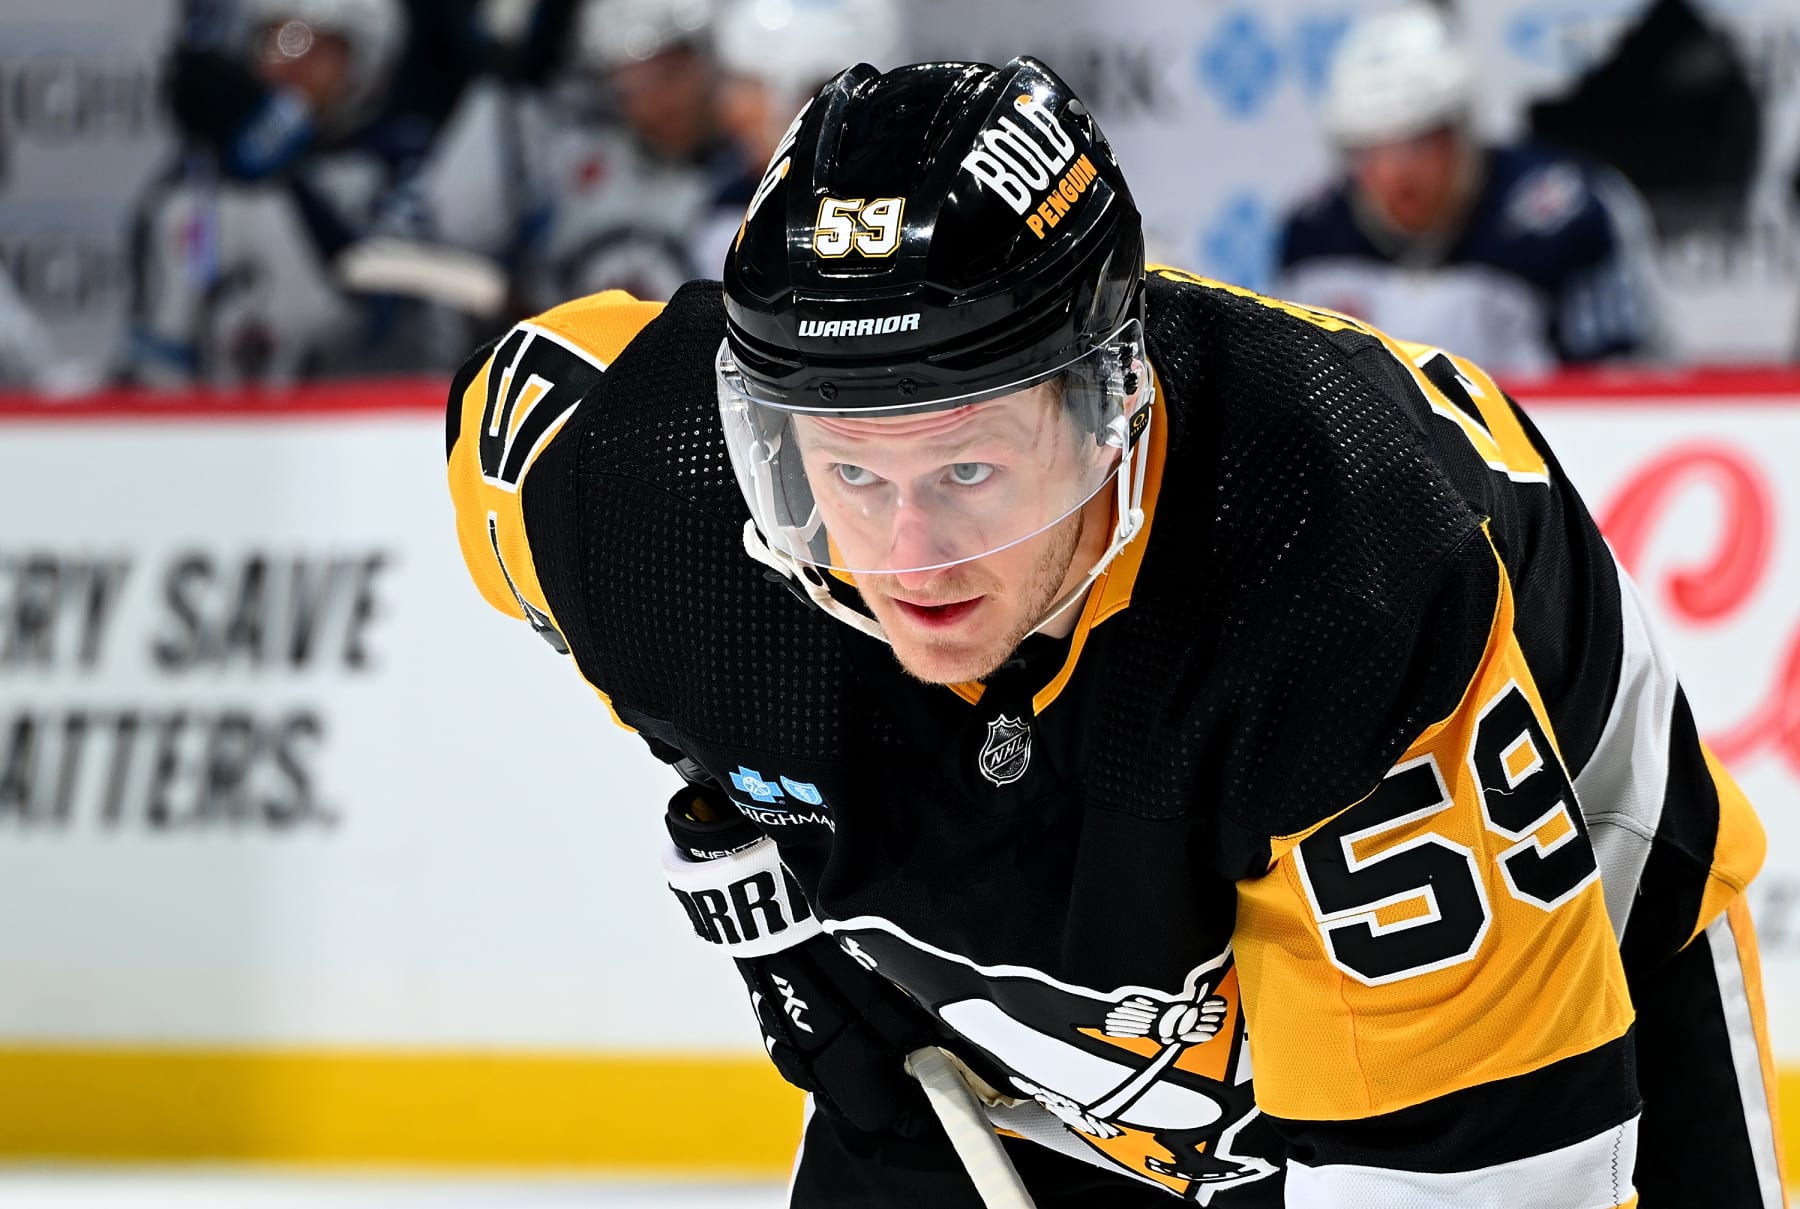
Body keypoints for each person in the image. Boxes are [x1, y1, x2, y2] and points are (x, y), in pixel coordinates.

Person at [447, 57, 1785, 1206]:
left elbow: (1461, 1168)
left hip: (1556, 936)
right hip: (1030, 1055)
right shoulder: (642, 501)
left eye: (968, 470)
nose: (908, 562)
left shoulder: (1334, 573)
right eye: (850, 476)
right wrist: (750, 810)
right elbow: (507, 405)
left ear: (1110, 407)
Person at [1277, 4, 1665, 376]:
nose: (1397, 175)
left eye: (1420, 144)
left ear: (1462, 132)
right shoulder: (1313, 237)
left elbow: (1617, 397)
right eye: (1368, 153)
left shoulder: (1563, 219)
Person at [130, 0, 441, 385]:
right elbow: (155, 347)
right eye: (275, 42)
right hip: (218, 427)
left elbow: (380, 304)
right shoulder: (195, 187)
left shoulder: (403, 164)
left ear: (367, 62)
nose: (290, 65)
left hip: (369, 418)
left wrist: (280, 158)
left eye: (316, 47)